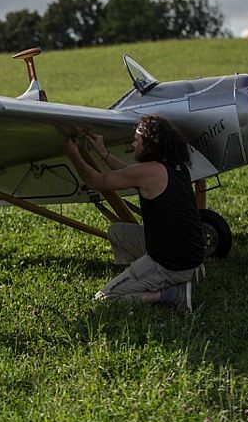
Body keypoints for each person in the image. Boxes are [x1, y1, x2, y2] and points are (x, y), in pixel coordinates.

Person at [63, 115, 204, 311]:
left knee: (104, 299)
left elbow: (96, 181)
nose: (133, 144)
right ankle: (148, 278)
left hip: (173, 264)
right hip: (190, 256)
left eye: (137, 140)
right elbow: (130, 173)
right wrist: (103, 153)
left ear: (150, 144)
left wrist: (73, 155)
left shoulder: (151, 172)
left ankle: (171, 293)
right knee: (118, 232)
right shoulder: (174, 166)